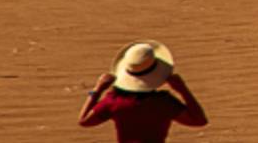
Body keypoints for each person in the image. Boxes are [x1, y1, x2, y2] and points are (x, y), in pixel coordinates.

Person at [78, 42, 208, 141]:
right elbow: (199, 120)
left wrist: (98, 89)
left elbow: (84, 121)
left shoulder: (114, 102)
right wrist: (182, 89)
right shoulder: (163, 103)